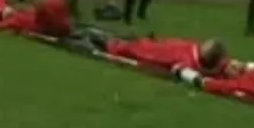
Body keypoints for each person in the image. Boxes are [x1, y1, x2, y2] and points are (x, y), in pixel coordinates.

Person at [75, 27, 228, 76]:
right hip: (153, 45)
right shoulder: (195, 53)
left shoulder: (189, 61)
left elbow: (178, 67)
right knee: (122, 39)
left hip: (145, 50)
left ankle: (85, 35)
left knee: (113, 43)